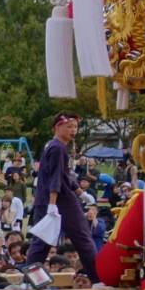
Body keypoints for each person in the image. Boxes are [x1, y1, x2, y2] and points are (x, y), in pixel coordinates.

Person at [25, 113, 98, 273]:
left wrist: (80, 193)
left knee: (41, 242)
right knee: (83, 239)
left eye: (75, 127)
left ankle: (29, 278)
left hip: (48, 200)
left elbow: (64, 175)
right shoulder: (57, 147)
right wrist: (52, 204)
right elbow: (56, 177)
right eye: (69, 126)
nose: (73, 130)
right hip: (59, 201)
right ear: (57, 127)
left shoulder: (52, 145)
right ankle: (96, 277)